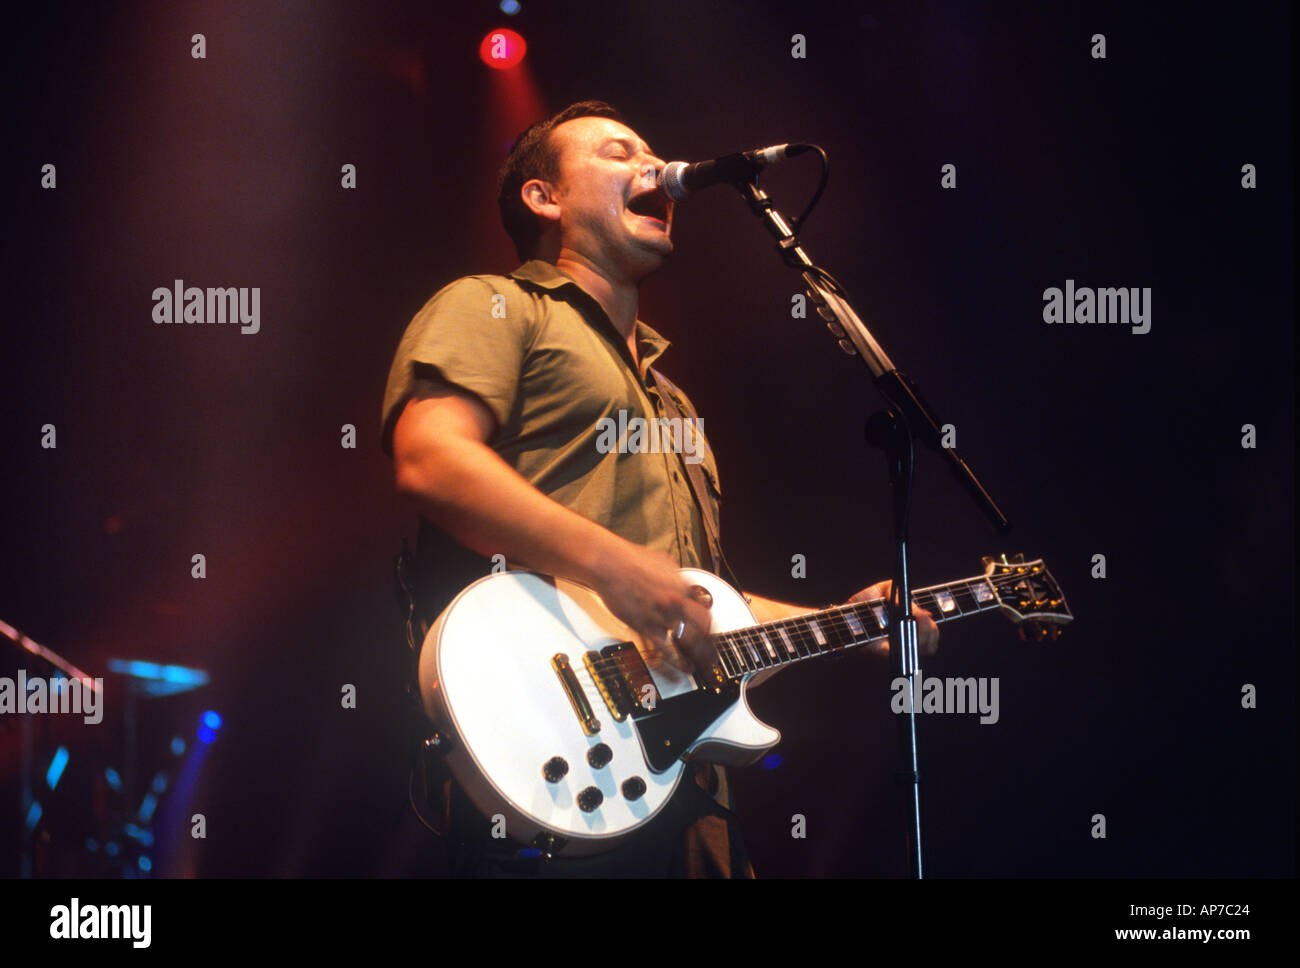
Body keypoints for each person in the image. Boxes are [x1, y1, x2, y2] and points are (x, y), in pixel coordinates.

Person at [380, 100, 939, 877]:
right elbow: (431, 462)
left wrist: (848, 622)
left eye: (652, 151)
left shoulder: (672, 400)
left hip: (681, 787)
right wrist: (619, 568)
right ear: (545, 199)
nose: (652, 167)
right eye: (617, 153)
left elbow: (700, 607)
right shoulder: (497, 306)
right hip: (538, 760)